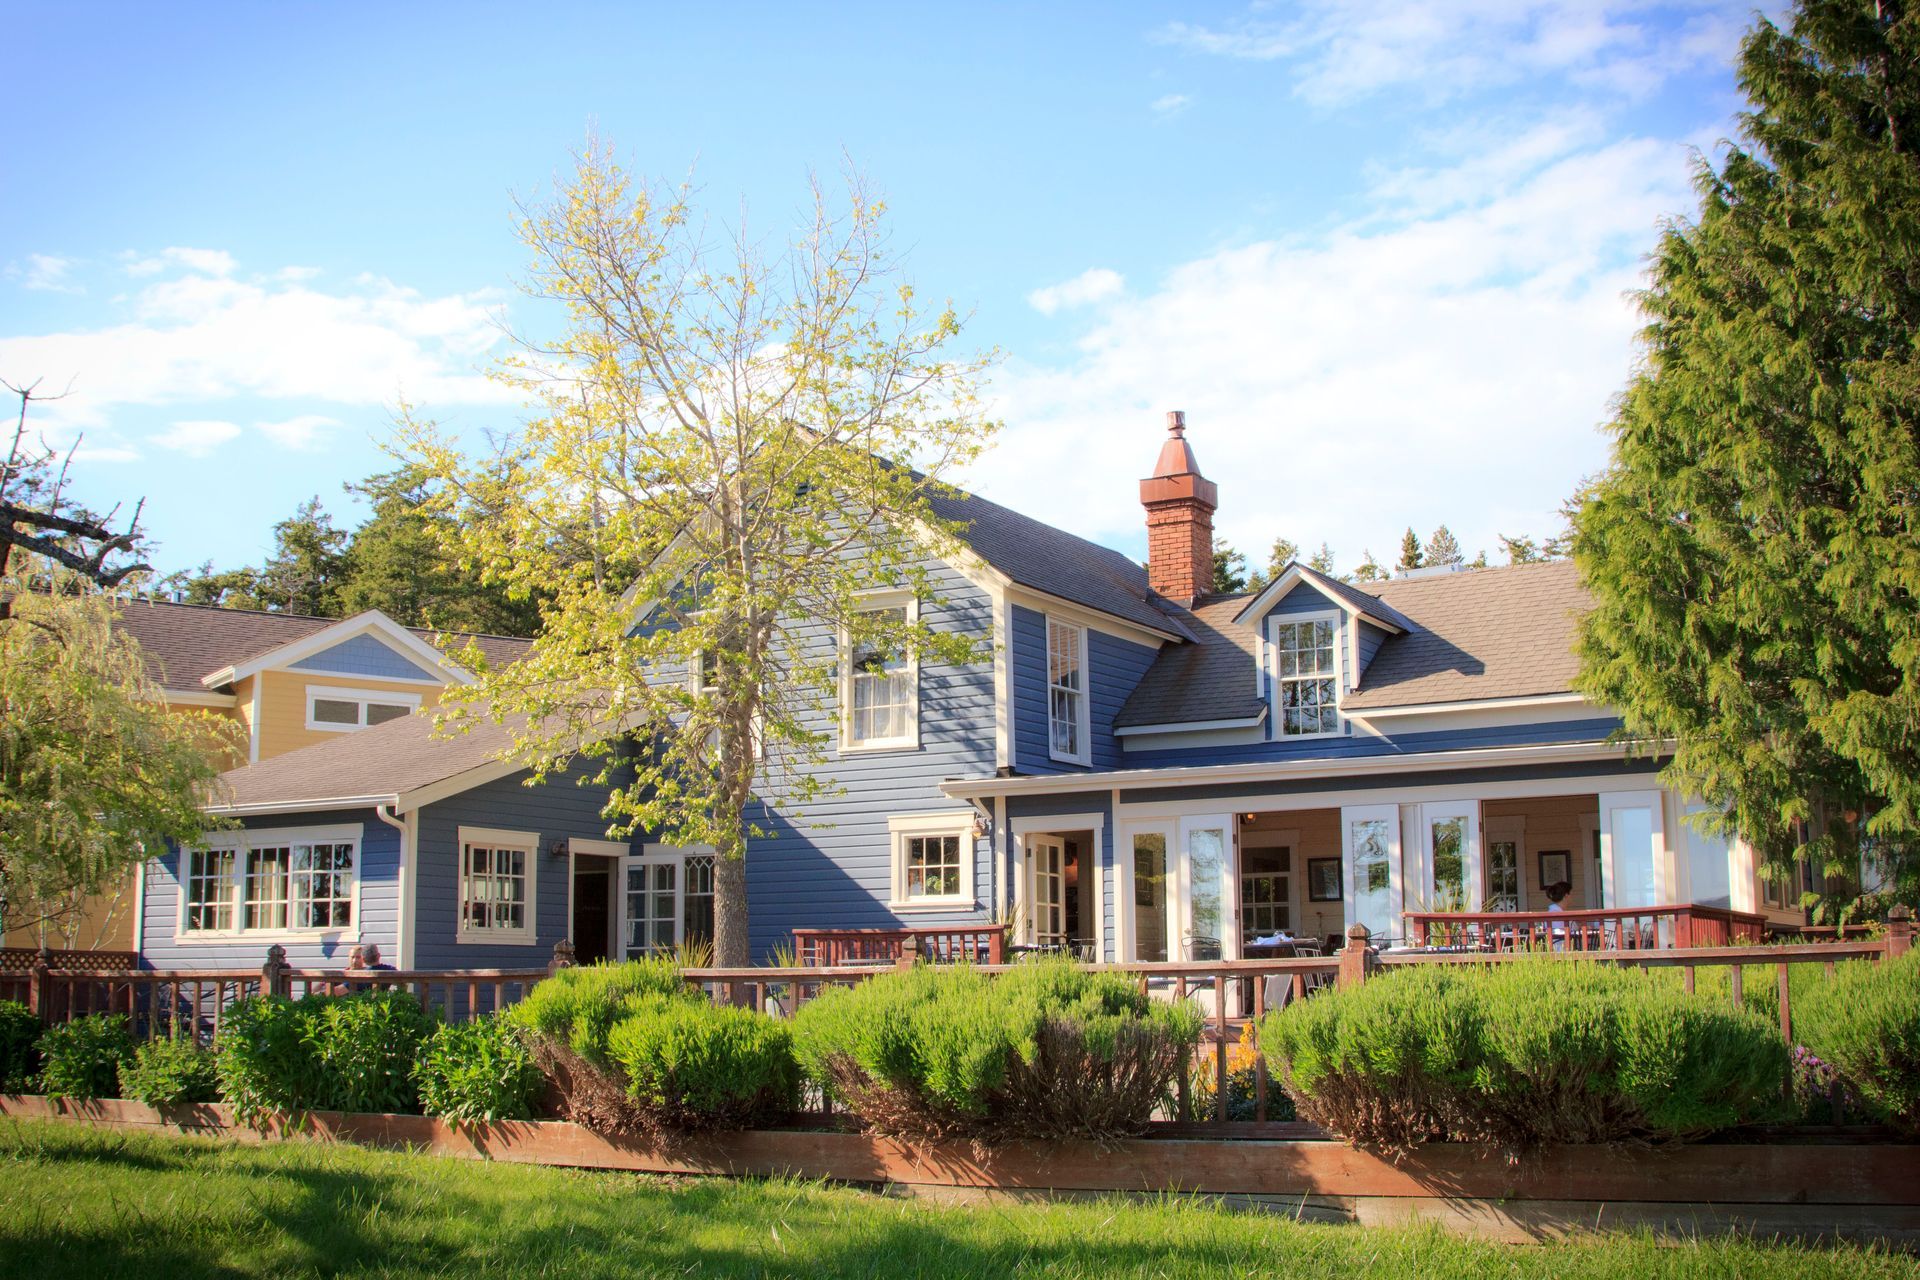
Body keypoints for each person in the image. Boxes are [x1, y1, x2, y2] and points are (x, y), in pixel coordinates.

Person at [1545, 881, 1574, 950]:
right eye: (1571, 894)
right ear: (1566, 896)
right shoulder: (1554, 914)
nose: (1572, 896)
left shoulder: (1560, 911)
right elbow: (1558, 932)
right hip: (1560, 951)